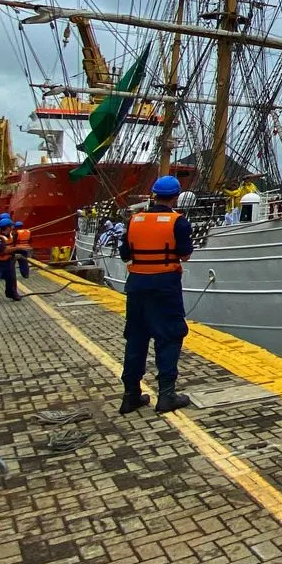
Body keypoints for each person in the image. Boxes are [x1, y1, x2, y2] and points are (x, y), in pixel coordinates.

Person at [118, 175, 195, 414]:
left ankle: (130, 395)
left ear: (154, 194)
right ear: (176, 196)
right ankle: (166, 396)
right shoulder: (178, 222)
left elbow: (124, 254)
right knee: (169, 337)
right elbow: (184, 255)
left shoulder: (134, 220)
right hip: (165, 287)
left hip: (137, 286)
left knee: (136, 340)